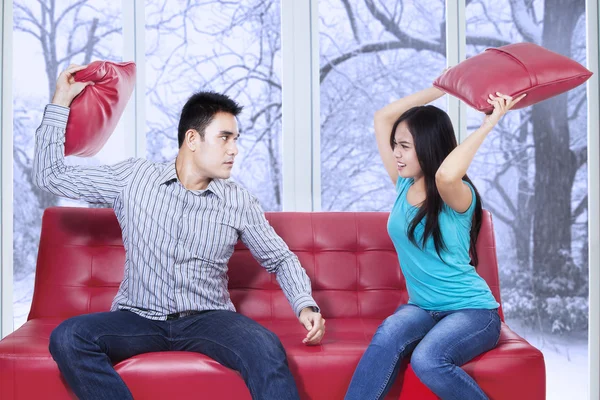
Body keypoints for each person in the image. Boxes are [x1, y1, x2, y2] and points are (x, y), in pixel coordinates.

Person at [36, 64, 325, 400]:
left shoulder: (237, 199)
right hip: (138, 318)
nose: (234, 150)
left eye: (236, 140)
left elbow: (280, 259)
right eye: (224, 138)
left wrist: (306, 306)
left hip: (209, 319)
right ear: (192, 139)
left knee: (266, 347)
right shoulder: (134, 179)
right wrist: (60, 101)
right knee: (68, 337)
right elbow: (50, 175)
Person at [344, 83, 526, 400]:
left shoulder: (456, 193)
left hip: (473, 312)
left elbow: (444, 175)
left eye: (404, 146)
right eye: (394, 146)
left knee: (428, 360)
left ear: (428, 147)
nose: (396, 153)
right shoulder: (403, 184)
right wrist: (441, 89)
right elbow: (382, 117)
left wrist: (489, 123)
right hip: (423, 308)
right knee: (387, 335)